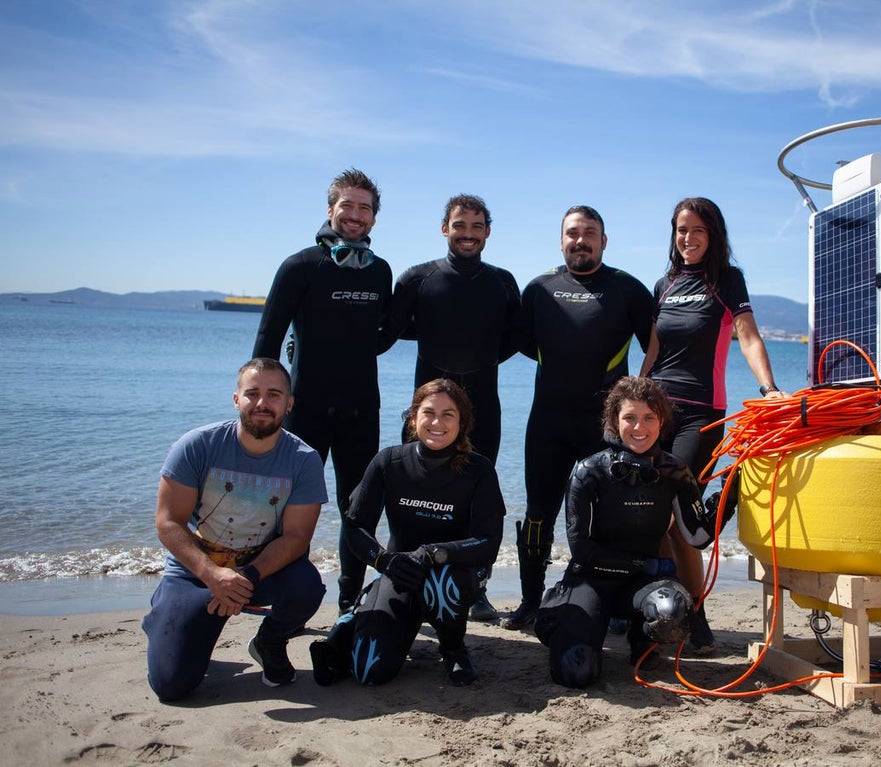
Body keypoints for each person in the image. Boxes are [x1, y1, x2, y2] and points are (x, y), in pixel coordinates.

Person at [639, 197, 786, 656]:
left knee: (678, 518)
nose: (687, 238)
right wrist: (629, 401)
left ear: (713, 234)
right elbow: (653, 350)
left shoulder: (726, 280)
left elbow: (747, 335)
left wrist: (769, 389)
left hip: (701, 414)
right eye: (681, 229)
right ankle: (671, 612)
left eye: (697, 229)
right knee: (651, 515)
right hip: (654, 410)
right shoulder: (664, 284)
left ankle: (697, 615)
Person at [502, 205, 654, 631]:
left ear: (604, 241)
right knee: (538, 514)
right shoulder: (540, 288)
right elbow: (516, 342)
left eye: (590, 232)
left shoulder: (627, 289)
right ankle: (530, 601)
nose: (581, 240)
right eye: (573, 233)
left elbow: (657, 347)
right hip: (548, 421)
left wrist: (642, 401)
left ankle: (612, 600)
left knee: (609, 516)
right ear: (561, 240)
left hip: (604, 427)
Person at [142, 358, 327, 702]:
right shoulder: (198, 445)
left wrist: (247, 578)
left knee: (307, 586)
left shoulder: (303, 459)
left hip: (259, 572)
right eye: (252, 393)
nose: (262, 403)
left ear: (289, 403)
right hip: (196, 573)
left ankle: (268, 641)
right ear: (236, 399)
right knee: (171, 685)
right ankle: (167, 612)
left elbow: (297, 538)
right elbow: (168, 523)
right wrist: (213, 575)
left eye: (274, 395)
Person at [252, 168, 393, 615]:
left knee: (358, 508)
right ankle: (277, 594)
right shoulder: (300, 266)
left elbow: (381, 337)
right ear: (330, 210)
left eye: (364, 208)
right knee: (289, 507)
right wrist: (264, 400)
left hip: (359, 408)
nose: (355, 215)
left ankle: (349, 600)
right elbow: (267, 341)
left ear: (374, 217)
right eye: (347, 206)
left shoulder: (380, 272)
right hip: (305, 407)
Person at [533, 376, 735, 688]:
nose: (639, 428)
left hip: (642, 587)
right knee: (576, 672)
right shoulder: (589, 471)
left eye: (648, 418)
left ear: (662, 420)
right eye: (630, 418)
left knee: (673, 612)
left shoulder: (674, 472)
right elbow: (582, 552)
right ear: (614, 421)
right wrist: (648, 565)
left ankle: (642, 642)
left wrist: (730, 493)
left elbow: (698, 537)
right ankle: (572, 621)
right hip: (592, 579)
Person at [309, 379, 506, 688]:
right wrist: (384, 561)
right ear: (414, 417)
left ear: (463, 422)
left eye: (448, 414)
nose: (437, 422)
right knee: (369, 671)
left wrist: (432, 553)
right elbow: (356, 527)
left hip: (452, 573)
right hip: (399, 571)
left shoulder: (477, 470)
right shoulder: (389, 462)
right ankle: (349, 626)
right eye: (428, 412)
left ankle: (453, 649)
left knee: (442, 583)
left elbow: (487, 543)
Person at [381, 194, 519, 621]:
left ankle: (474, 589)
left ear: (488, 233)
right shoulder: (418, 279)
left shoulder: (502, 282)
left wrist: (476, 353)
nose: (468, 234)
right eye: (460, 225)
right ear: (445, 229)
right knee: (409, 492)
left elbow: (515, 339)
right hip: (427, 410)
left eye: (477, 226)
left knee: (480, 501)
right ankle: (398, 578)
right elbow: (386, 332)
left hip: (484, 407)